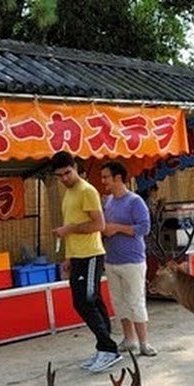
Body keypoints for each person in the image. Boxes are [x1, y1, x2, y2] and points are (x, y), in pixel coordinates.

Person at [50, 151, 122, 373]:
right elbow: (73, 224)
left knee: (85, 301)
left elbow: (99, 225)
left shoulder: (87, 191)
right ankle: (105, 348)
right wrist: (68, 257)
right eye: (59, 176)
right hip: (78, 256)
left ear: (75, 168)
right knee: (91, 301)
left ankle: (109, 348)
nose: (64, 179)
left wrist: (69, 229)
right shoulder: (69, 194)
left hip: (91, 254)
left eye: (67, 173)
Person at [100, 161, 157, 356]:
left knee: (135, 301)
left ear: (118, 178)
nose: (103, 181)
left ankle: (144, 342)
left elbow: (144, 228)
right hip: (112, 260)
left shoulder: (135, 201)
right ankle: (128, 339)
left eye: (106, 177)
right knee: (119, 302)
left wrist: (116, 228)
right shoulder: (107, 202)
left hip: (132, 260)